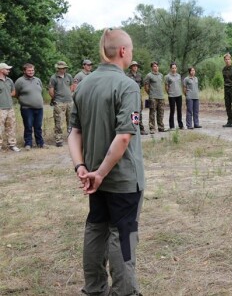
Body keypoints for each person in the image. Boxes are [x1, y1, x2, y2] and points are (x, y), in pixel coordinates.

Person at [68, 28, 145, 296]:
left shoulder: (84, 84)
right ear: (123, 51)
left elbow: (73, 132)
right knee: (121, 235)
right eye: (131, 49)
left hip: (93, 178)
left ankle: (94, 289)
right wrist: (99, 173)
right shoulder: (128, 86)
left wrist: (82, 168)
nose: (131, 53)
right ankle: (124, 292)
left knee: (95, 229)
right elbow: (124, 136)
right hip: (121, 180)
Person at [15, 63, 46, 150]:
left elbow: (41, 91)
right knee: (28, 126)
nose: (31, 72)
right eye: (29, 70)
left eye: (32, 70)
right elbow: (16, 93)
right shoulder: (20, 81)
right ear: (24, 71)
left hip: (39, 107)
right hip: (27, 108)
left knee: (38, 126)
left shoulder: (37, 80)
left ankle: (40, 143)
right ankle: (28, 143)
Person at [48, 60, 74, 147]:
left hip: (69, 101)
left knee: (71, 120)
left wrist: (69, 95)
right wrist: (55, 99)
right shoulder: (53, 78)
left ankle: (71, 137)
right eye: (61, 68)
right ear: (58, 68)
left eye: (65, 68)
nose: (63, 70)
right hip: (59, 102)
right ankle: (59, 139)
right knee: (59, 121)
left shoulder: (69, 76)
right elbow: (51, 91)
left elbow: (71, 87)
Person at [0, 63, 20, 152]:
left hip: (10, 107)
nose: (8, 71)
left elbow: (13, 92)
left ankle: (12, 144)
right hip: (0, 108)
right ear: (1, 70)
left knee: (11, 126)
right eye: (7, 69)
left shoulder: (9, 80)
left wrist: (6, 96)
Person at [126, 61, 147, 135]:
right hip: (130, 96)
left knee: (139, 111)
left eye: (136, 66)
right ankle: (134, 128)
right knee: (133, 111)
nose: (135, 67)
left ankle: (140, 129)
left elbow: (141, 84)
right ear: (131, 67)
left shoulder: (139, 75)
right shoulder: (127, 75)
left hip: (138, 95)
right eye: (134, 66)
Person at [144, 61, 165, 133]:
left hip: (161, 97)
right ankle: (152, 128)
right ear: (152, 67)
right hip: (153, 97)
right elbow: (146, 86)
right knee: (152, 112)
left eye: (157, 66)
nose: (156, 67)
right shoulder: (149, 75)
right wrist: (150, 94)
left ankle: (161, 127)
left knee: (161, 112)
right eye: (154, 66)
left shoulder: (161, 75)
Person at [164, 63, 184, 130]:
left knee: (179, 110)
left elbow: (179, 84)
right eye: (173, 68)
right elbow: (166, 86)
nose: (174, 69)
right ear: (170, 69)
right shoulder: (167, 76)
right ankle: (171, 126)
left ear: (176, 68)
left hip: (179, 95)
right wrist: (169, 93)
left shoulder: (179, 76)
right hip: (172, 95)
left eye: (175, 68)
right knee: (172, 111)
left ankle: (180, 125)